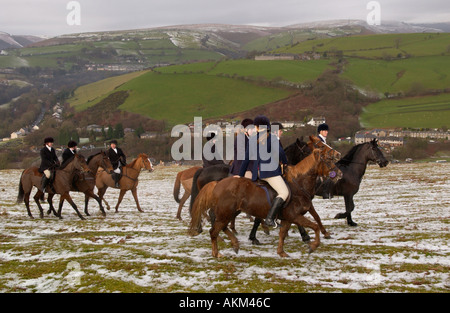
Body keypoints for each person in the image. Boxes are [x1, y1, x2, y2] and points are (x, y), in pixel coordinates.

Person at [238, 115, 289, 227]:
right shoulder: (272, 138)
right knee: (284, 192)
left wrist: (240, 176)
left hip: (257, 173)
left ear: (256, 127)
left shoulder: (252, 139)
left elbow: (246, 160)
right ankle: (270, 218)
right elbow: (281, 153)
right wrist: (285, 162)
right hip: (269, 173)